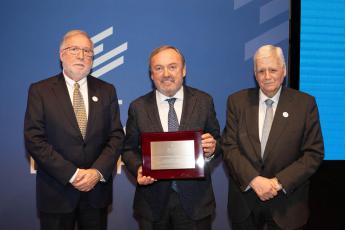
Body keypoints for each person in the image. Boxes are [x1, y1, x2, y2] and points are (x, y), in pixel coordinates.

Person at [24, 30, 124, 230]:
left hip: (96, 194)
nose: (81, 56)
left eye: (87, 51)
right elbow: (34, 139)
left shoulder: (107, 90)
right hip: (56, 192)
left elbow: (116, 136)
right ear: (61, 55)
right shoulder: (40, 91)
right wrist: (72, 174)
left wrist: (96, 172)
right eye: (74, 49)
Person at [221, 44, 324, 230]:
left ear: (283, 71)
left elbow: (313, 153)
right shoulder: (237, 102)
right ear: (254, 73)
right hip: (245, 204)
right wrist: (254, 180)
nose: (267, 76)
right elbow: (229, 147)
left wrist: (278, 183)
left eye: (273, 70)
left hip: (288, 204)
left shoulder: (305, 104)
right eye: (261, 71)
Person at [122, 45, 221, 230]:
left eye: (172, 66)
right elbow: (128, 150)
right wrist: (138, 169)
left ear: (183, 70)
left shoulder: (204, 101)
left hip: (196, 203)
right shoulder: (138, 107)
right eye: (158, 68)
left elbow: (217, 139)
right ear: (151, 74)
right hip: (152, 204)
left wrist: (212, 148)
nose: (166, 73)